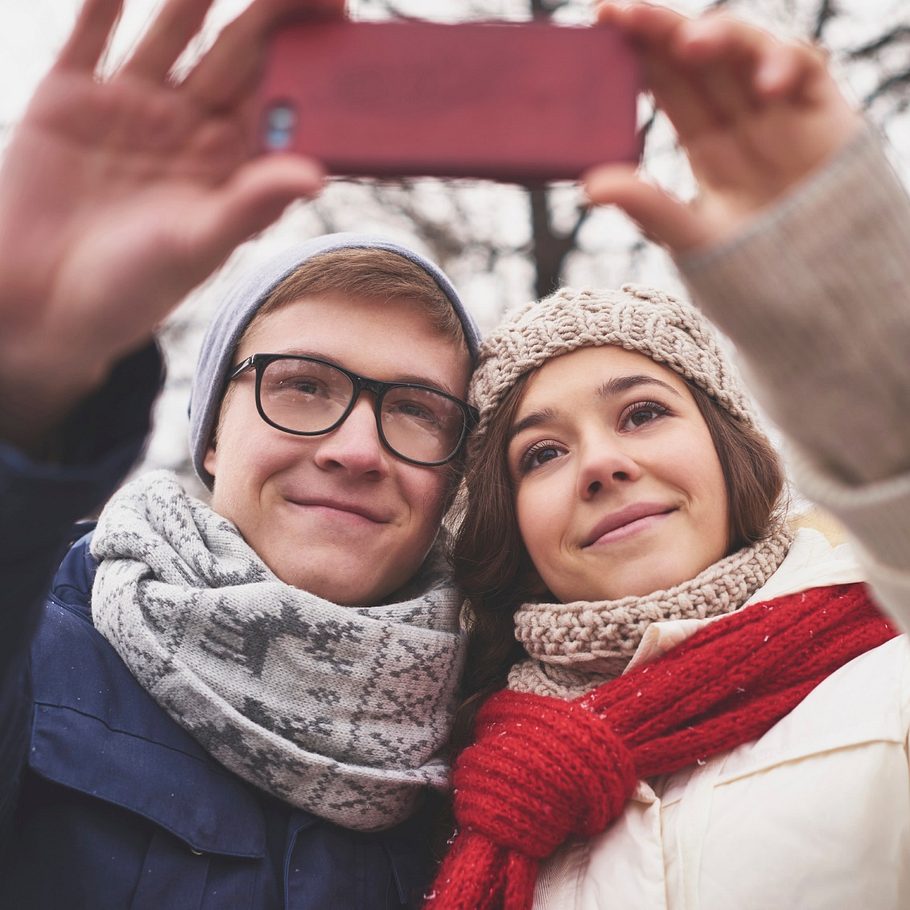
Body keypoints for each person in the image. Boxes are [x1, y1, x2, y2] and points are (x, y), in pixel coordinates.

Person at [425, 4, 910, 910]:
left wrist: (866, 346)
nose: (601, 464)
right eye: (540, 455)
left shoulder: (891, 666)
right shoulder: (462, 785)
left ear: (731, 451)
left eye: (642, 412)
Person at [0, 1, 482, 907]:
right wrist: (20, 382)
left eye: (416, 409)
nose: (353, 449)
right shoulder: (33, 641)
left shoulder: (494, 741)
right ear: (214, 433)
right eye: (302, 386)